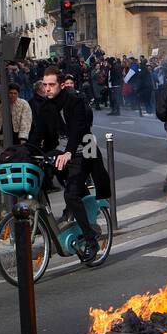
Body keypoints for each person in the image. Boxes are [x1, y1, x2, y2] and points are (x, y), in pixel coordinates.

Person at [37, 67, 110, 263]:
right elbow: (38, 134)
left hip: (84, 149)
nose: (48, 89)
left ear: (61, 85)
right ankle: (73, 211)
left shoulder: (74, 101)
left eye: (51, 85)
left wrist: (68, 152)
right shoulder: (45, 106)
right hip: (64, 152)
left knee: (71, 193)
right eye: (45, 85)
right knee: (52, 177)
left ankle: (90, 239)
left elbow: (78, 129)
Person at [0, 84, 33, 148]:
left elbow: (26, 121)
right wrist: (0, 137)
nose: (12, 95)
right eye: (10, 93)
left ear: (18, 94)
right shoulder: (2, 105)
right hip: (8, 135)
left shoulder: (24, 104)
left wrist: (23, 138)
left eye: (15, 93)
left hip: (19, 135)